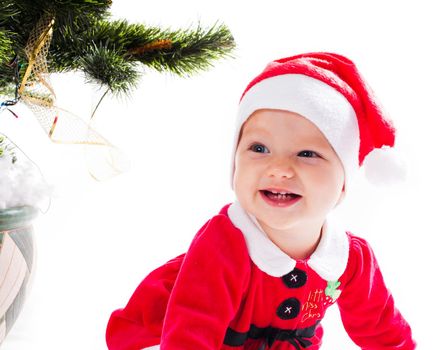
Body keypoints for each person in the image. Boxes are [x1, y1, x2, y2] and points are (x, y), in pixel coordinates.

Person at [105, 52, 416, 349]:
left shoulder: (350, 259)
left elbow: (383, 331)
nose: (279, 169)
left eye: (307, 154)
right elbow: (191, 332)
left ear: (344, 183)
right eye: (259, 149)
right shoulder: (224, 243)